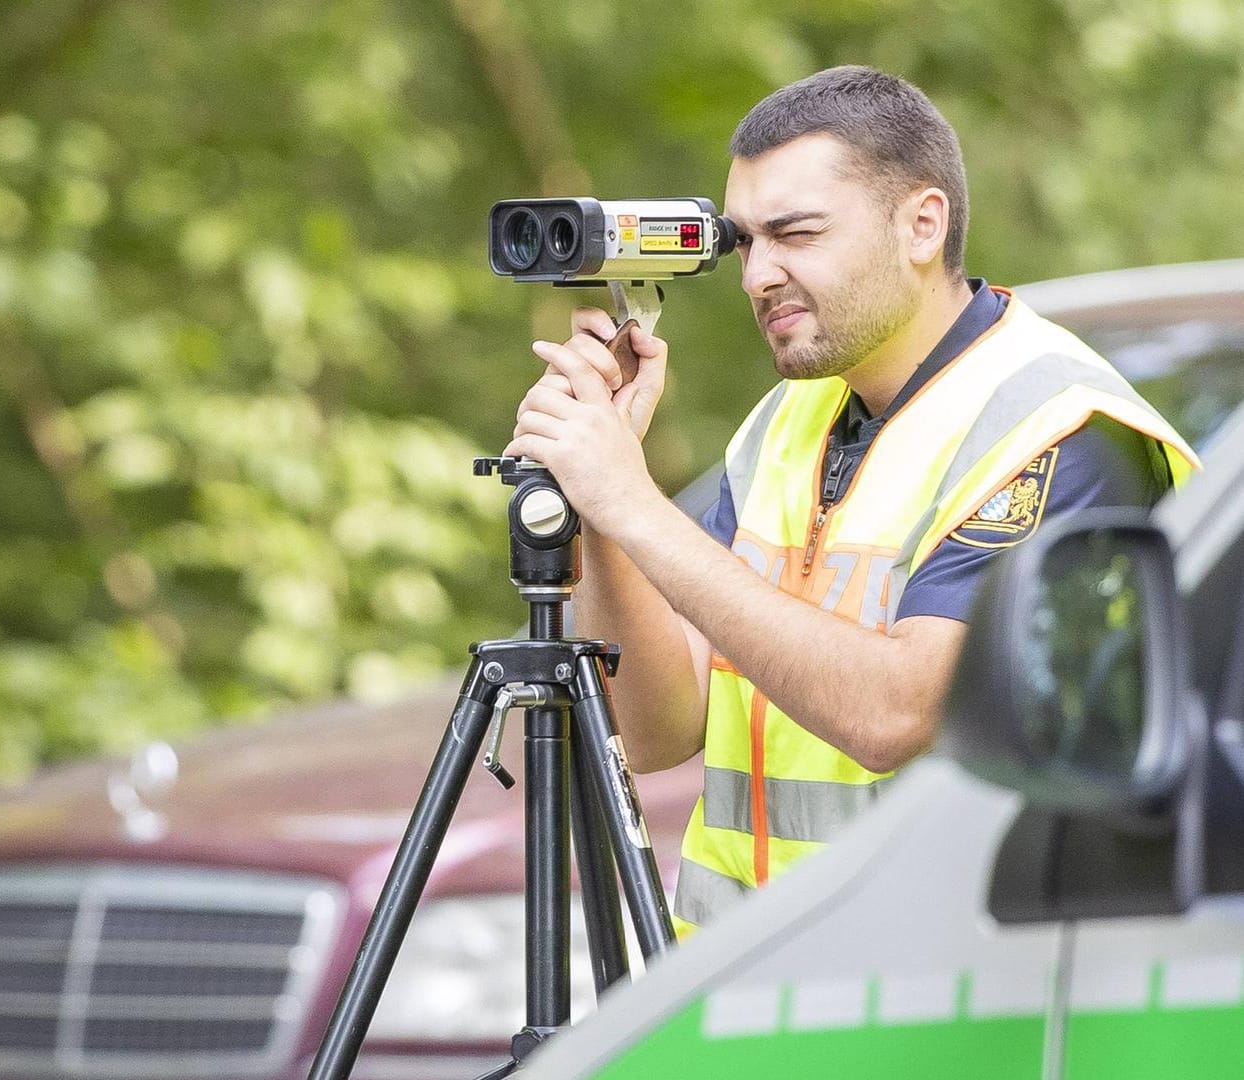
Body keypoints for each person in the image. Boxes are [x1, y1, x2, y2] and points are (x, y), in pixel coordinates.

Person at [502, 65, 1199, 932]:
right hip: (737, 983)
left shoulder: (1056, 425)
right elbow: (657, 730)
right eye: (745, 241)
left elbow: (892, 712)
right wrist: (605, 515)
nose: (759, 275)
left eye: (796, 234)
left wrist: (635, 502)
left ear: (922, 223)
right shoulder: (789, 418)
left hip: (923, 993)